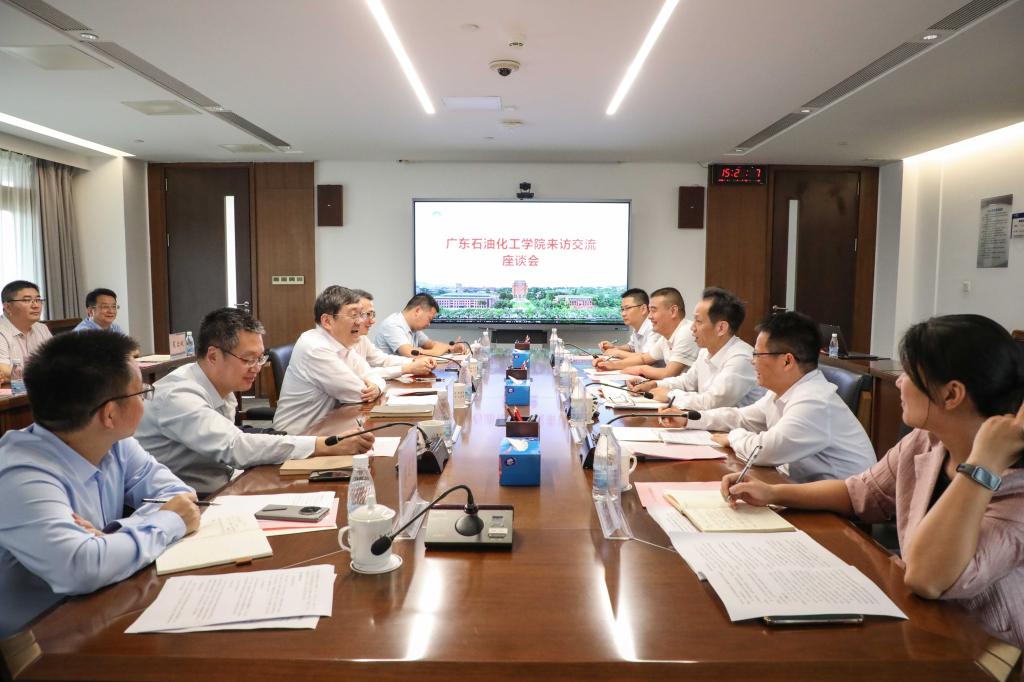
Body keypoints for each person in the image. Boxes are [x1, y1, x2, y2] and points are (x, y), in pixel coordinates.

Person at [722, 314, 1024, 649]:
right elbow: (859, 491)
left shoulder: (1016, 488)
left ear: (951, 394)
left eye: (909, 374)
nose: (899, 383)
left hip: (985, 647)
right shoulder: (926, 441)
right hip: (920, 624)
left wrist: (981, 466)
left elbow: (927, 578)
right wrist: (773, 492)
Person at [0, 330, 199, 638]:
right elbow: (82, 568)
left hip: (101, 605)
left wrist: (114, 535)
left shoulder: (115, 442)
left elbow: (179, 494)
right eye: (141, 393)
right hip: (37, 641)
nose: (145, 401)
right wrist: (169, 520)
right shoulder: (20, 473)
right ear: (109, 414)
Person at [136, 307, 374, 495]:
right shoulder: (179, 395)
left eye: (260, 358)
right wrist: (324, 445)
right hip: (184, 501)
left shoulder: (221, 384)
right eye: (248, 359)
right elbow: (235, 447)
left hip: (223, 484)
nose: (257, 368)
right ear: (213, 356)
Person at [666, 310, 874, 482]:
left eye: (758, 354)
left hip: (842, 512)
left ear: (787, 361)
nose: (752, 361)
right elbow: (741, 417)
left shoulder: (814, 401)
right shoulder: (783, 391)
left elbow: (764, 450)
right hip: (801, 489)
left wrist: (733, 437)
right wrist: (688, 418)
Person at [274, 287, 388, 435]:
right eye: (354, 315)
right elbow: (358, 394)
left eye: (361, 314)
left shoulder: (342, 342)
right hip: (298, 436)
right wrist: (374, 386)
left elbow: (371, 374)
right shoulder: (316, 348)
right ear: (327, 321)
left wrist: (377, 386)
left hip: (329, 426)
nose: (361, 321)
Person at [631, 287, 763, 409]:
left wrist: (670, 395)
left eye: (698, 321)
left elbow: (711, 402)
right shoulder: (705, 351)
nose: (692, 327)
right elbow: (687, 382)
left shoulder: (741, 358)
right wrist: (654, 385)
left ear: (721, 328)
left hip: (730, 426)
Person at [596, 287, 698, 379]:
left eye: (653, 310)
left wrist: (639, 369)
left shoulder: (686, 332)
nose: (649, 316)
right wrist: (610, 365)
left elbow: (669, 373)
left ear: (673, 311)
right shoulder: (666, 337)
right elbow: (644, 359)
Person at [350, 288, 436, 379]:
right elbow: (362, 374)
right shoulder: (392, 324)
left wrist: (414, 361)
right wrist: (407, 368)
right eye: (368, 314)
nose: (373, 321)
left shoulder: (362, 339)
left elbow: (383, 360)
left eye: (372, 314)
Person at [374, 293, 465, 357]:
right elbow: (411, 353)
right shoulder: (393, 324)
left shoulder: (414, 328)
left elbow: (431, 344)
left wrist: (452, 348)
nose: (429, 324)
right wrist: (437, 351)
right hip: (387, 378)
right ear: (418, 311)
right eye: (429, 319)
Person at [0, 279, 52, 382]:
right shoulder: (2, 331)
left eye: (38, 300)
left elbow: (56, 360)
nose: (36, 305)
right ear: (8, 307)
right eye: (27, 300)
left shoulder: (42, 328)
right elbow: (4, 370)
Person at [597, 288, 657, 357]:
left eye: (627, 308)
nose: (623, 314)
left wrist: (617, 352)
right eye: (622, 309)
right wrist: (614, 347)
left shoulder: (654, 328)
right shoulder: (638, 326)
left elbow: (646, 358)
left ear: (643, 309)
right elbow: (631, 347)